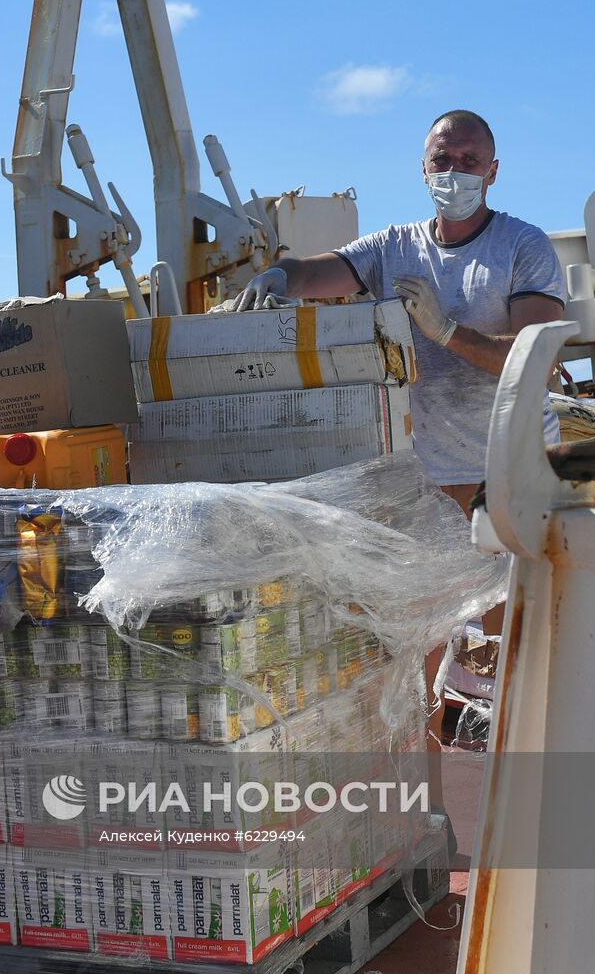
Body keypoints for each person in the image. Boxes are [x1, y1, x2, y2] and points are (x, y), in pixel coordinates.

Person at [232, 109, 566, 847]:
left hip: (510, 478)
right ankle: (435, 818)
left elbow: (533, 352)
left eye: (471, 159)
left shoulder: (523, 247)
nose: (456, 171)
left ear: (493, 171)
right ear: (423, 168)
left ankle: (536, 819)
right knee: (417, 658)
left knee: (516, 652)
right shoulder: (395, 247)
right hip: (428, 481)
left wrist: (449, 333)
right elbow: (331, 273)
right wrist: (283, 273)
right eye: (444, 157)